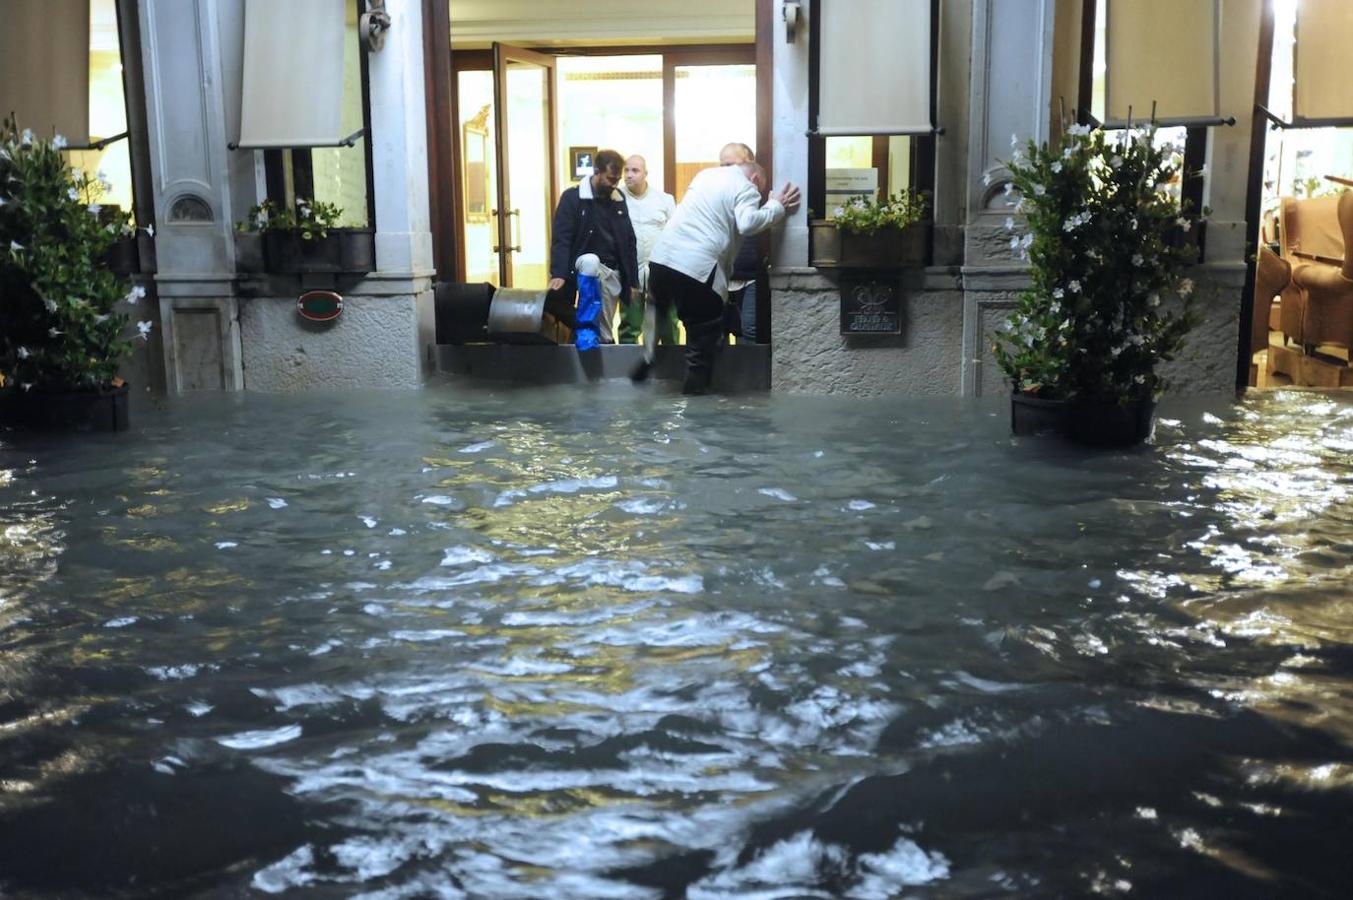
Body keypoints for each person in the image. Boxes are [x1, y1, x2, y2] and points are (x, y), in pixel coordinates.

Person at [646, 161, 800, 394]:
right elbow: (747, 223)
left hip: (661, 260)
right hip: (696, 267)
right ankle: (695, 398)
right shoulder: (746, 186)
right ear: (755, 179)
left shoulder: (705, 175)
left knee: (658, 313)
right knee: (702, 334)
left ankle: (644, 363)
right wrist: (775, 205)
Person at [547, 149, 638, 346]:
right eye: (610, 179)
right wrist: (559, 273)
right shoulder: (572, 198)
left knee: (603, 327)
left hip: (612, 270)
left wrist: (631, 281)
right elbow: (561, 237)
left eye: (617, 180)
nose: (614, 184)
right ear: (596, 171)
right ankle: (595, 341)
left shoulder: (618, 199)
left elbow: (629, 241)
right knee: (591, 262)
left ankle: (598, 342)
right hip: (583, 266)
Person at [619, 154, 679, 345]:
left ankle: (672, 362)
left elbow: (676, 234)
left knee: (668, 323)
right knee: (630, 324)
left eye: (635, 170)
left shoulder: (664, 200)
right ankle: (628, 362)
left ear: (645, 173)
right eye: (626, 170)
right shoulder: (616, 199)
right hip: (630, 272)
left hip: (661, 270)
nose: (629, 175)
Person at [718, 142, 764, 342]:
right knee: (716, 333)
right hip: (720, 277)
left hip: (751, 278)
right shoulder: (716, 195)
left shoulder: (758, 192)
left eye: (730, 165)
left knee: (749, 331)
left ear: (749, 163)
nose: (725, 172)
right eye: (722, 166)